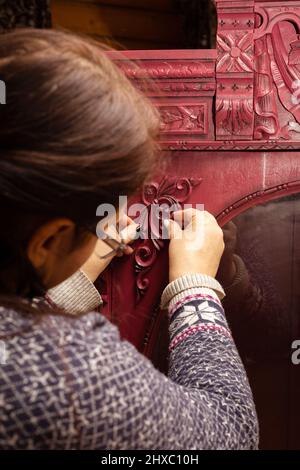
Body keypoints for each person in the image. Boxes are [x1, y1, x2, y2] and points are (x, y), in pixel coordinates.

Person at [0, 29, 258, 450]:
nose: (122, 216)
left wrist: (57, 285)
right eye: (111, 202)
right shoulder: (66, 371)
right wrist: (194, 289)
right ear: (47, 243)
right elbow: (228, 435)